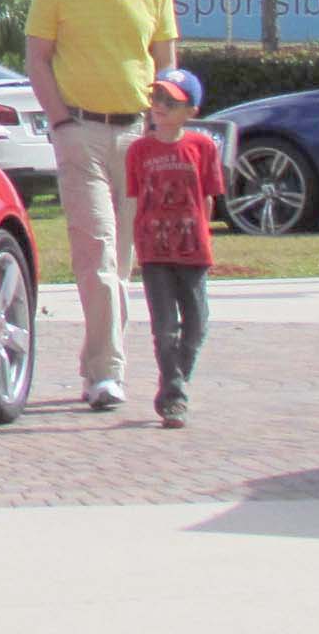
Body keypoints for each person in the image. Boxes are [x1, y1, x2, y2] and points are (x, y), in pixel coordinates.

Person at [24, 0, 179, 412]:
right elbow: (37, 58)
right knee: (96, 253)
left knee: (124, 260)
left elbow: (166, 62)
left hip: (137, 135)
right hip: (80, 134)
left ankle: (105, 362)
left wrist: (165, 124)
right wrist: (61, 121)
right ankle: (104, 373)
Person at [127, 69, 222, 429]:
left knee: (196, 324)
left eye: (170, 102)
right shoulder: (139, 150)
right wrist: (136, 246)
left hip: (192, 249)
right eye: (156, 100)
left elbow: (209, 198)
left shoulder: (203, 147)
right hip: (155, 251)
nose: (159, 108)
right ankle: (174, 397)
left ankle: (174, 378)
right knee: (165, 327)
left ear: (191, 111)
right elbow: (135, 198)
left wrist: (203, 236)